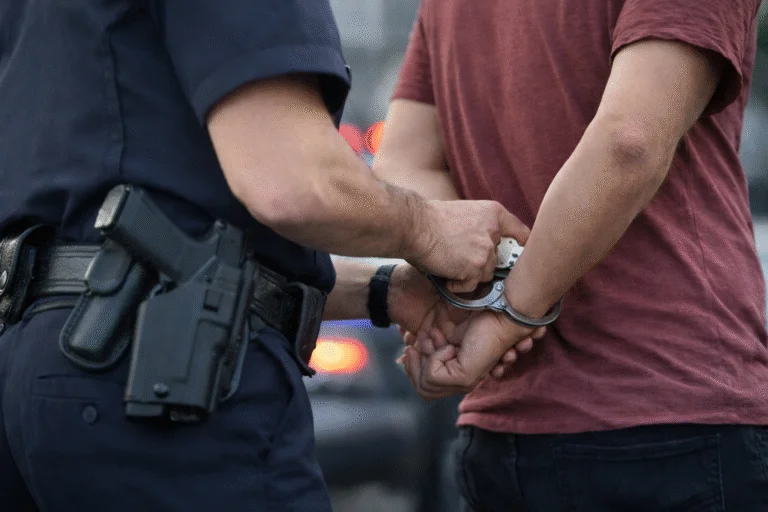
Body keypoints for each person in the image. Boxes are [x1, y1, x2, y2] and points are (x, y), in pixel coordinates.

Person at [0, 1, 534, 511]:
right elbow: (291, 184)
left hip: (40, 378)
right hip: (158, 392)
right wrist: (432, 229)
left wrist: (383, 291)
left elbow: (167, 244)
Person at [375, 0, 768, 509]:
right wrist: (512, 310)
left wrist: (485, 292)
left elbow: (401, 165)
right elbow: (630, 142)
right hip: (672, 407)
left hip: (503, 433)